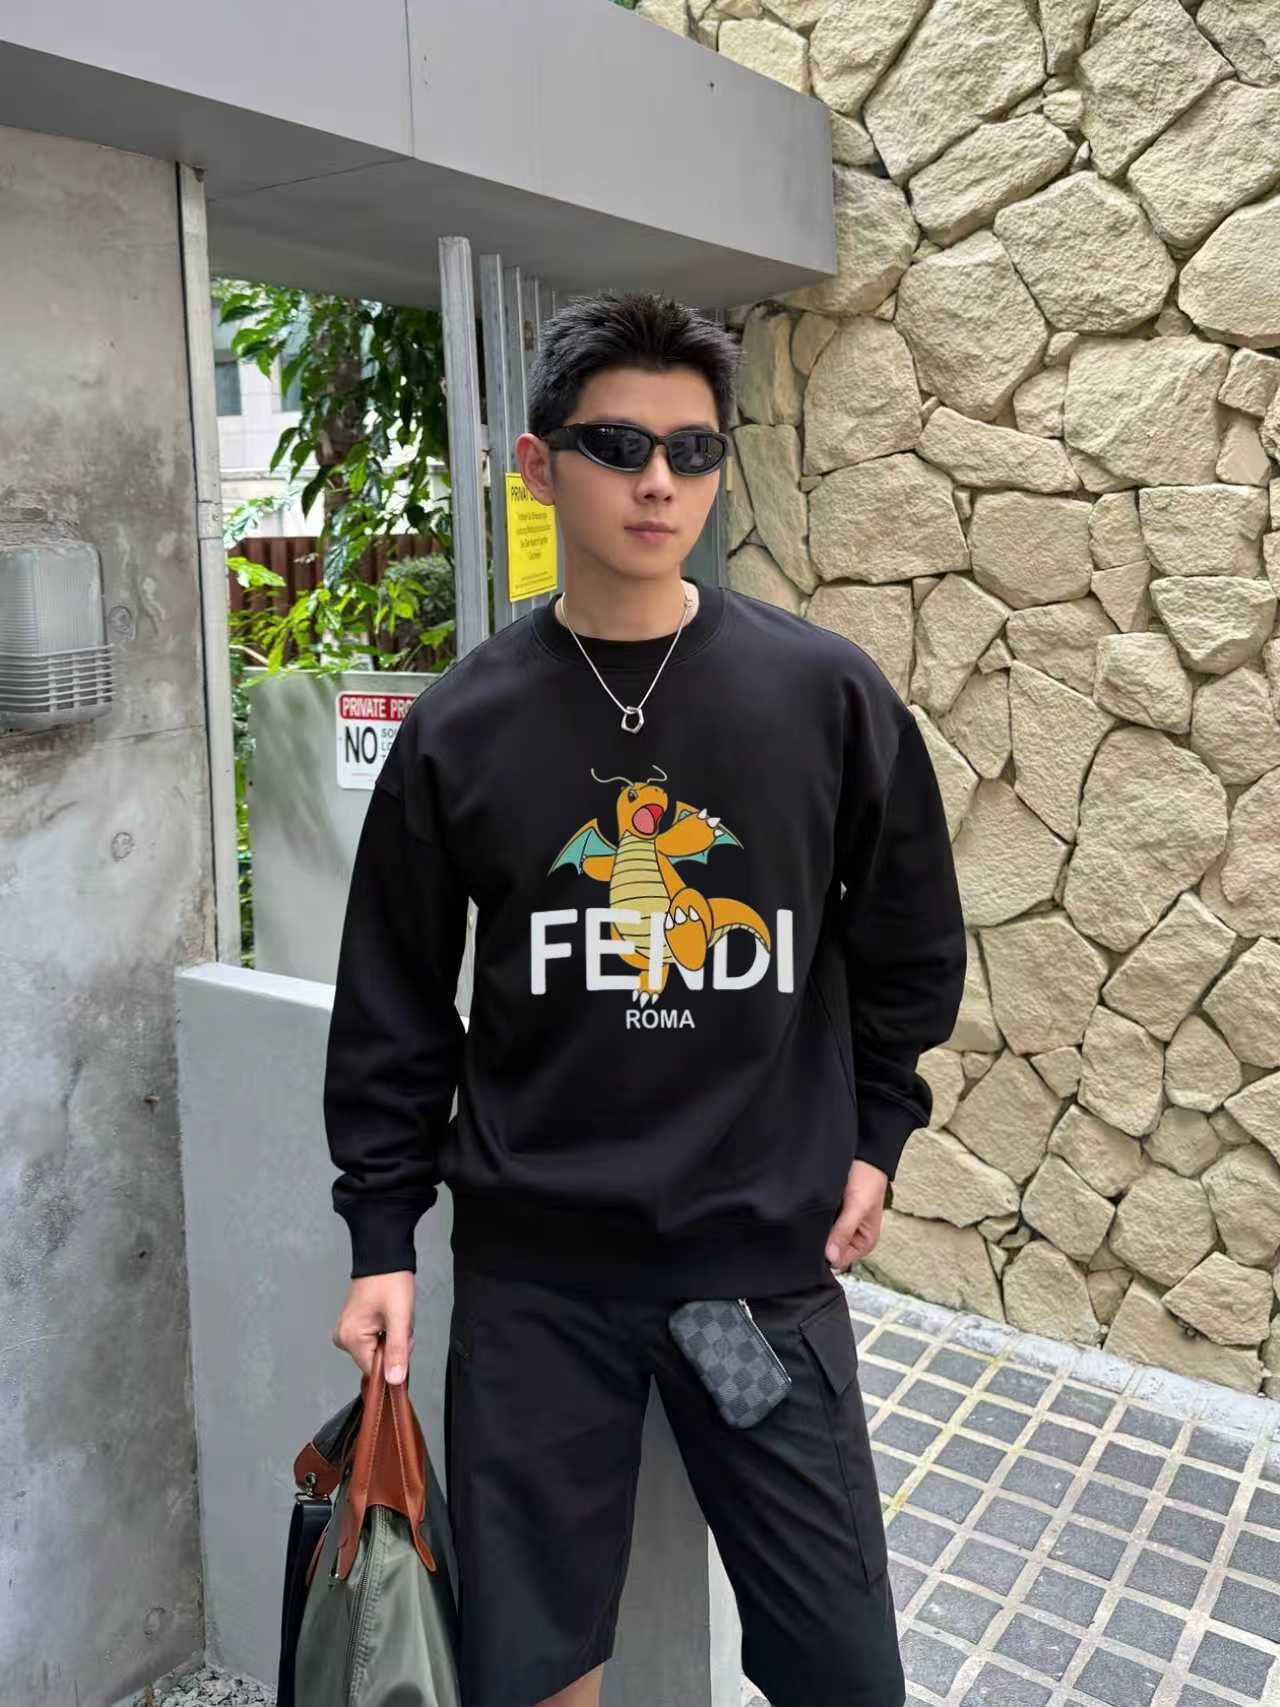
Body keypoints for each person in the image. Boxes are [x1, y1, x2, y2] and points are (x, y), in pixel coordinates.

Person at [324, 292, 967, 1707]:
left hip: (753, 1272)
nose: (660, 480)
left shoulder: (822, 695)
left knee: (843, 1663)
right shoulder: (463, 726)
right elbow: (394, 1003)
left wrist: (878, 1132)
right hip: (538, 1284)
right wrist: (382, 1236)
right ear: (539, 465)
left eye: (693, 448)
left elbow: (911, 938)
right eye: (618, 445)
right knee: (536, 1662)